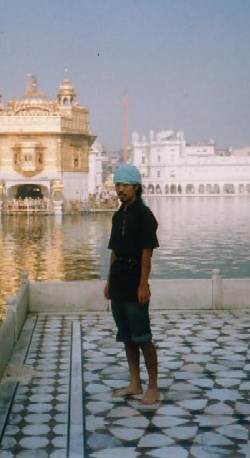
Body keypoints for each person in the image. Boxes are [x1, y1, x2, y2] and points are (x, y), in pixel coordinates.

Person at [103, 164, 160, 406]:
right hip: (119, 281)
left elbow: (147, 253)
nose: (120, 189)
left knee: (143, 337)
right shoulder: (119, 215)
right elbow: (114, 251)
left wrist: (143, 285)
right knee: (126, 336)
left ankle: (153, 387)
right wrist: (108, 282)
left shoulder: (144, 215)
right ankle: (135, 383)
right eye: (117, 185)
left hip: (135, 278)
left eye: (124, 185)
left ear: (136, 186)